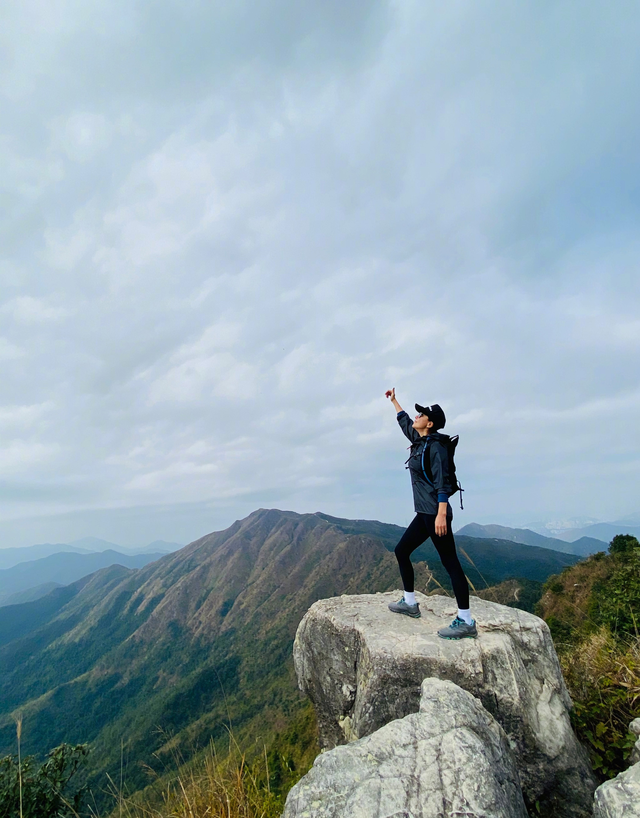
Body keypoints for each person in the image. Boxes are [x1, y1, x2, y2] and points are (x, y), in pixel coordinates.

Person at [384, 388, 477, 639]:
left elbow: (443, 481)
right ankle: (410, 603)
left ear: (430, 423)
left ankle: (466, 620)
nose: (417, 416)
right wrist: (394, 401)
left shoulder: (436, 447)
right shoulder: (419, 441)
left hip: (435, 514)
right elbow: (404, 422)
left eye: (421, 414)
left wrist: (441, 513)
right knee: (401, 551)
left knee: (450, 562)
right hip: (424, 513)